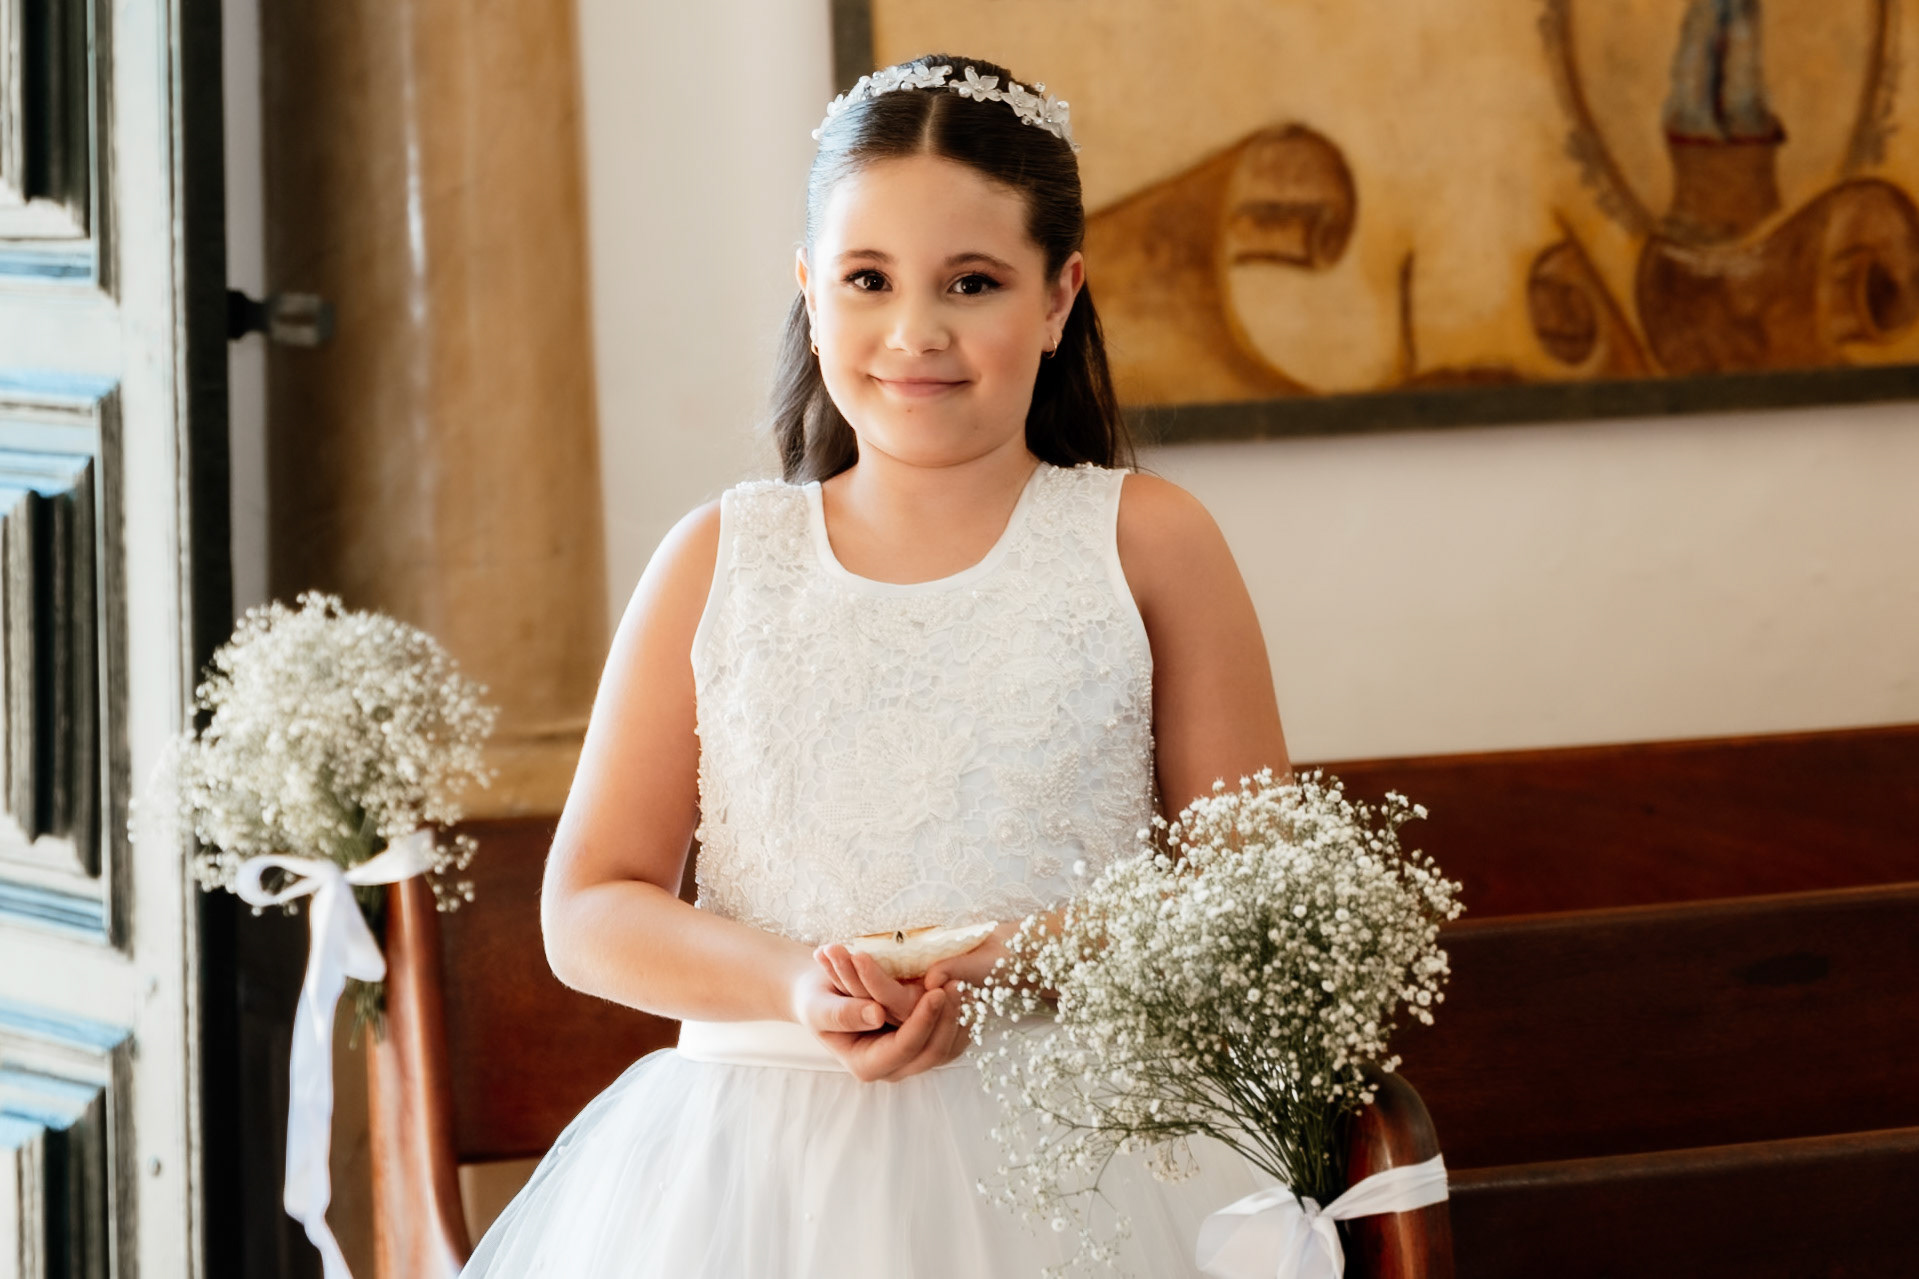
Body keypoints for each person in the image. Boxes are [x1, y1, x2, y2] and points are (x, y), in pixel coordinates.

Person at [463, 53, 1291, 1277]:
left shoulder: (1149, 539)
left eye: (973, 281)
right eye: (866, 279)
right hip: (749, 1177)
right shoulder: (720, 561)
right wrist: (803, 984)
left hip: (1083, 1165)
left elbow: (1257, 904)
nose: (916, 332)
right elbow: (588, 909)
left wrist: (1026, 953)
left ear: (1058, 297)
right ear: (809, 290)